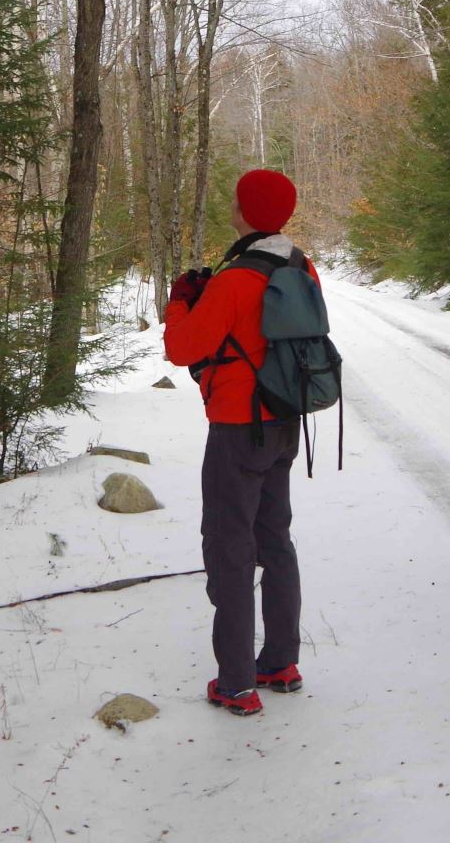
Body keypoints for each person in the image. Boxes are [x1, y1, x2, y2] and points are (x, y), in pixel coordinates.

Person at [163, 169, 315, 717]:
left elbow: (182, 349)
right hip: (284, 422)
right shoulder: (302, 267)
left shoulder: (234, 279)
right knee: (275, 538)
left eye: (237, 200)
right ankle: (280, 660)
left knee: (229, 545)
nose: (232, 205)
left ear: (248, 211)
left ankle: (235, 682)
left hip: (235, 426)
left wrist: (180, 302)